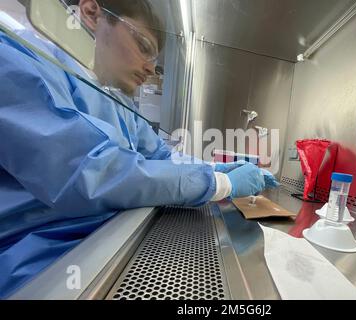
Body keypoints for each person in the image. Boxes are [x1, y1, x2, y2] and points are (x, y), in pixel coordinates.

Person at [0, 0, 278, 298]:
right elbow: (92, 172)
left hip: (105, 240)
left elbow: (161, 155)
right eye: (143, 46)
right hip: (42, 264)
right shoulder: (16, 59)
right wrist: (220, 184)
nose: (150, 67)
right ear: (92, 12)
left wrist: (214, 168)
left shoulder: (115, 101)